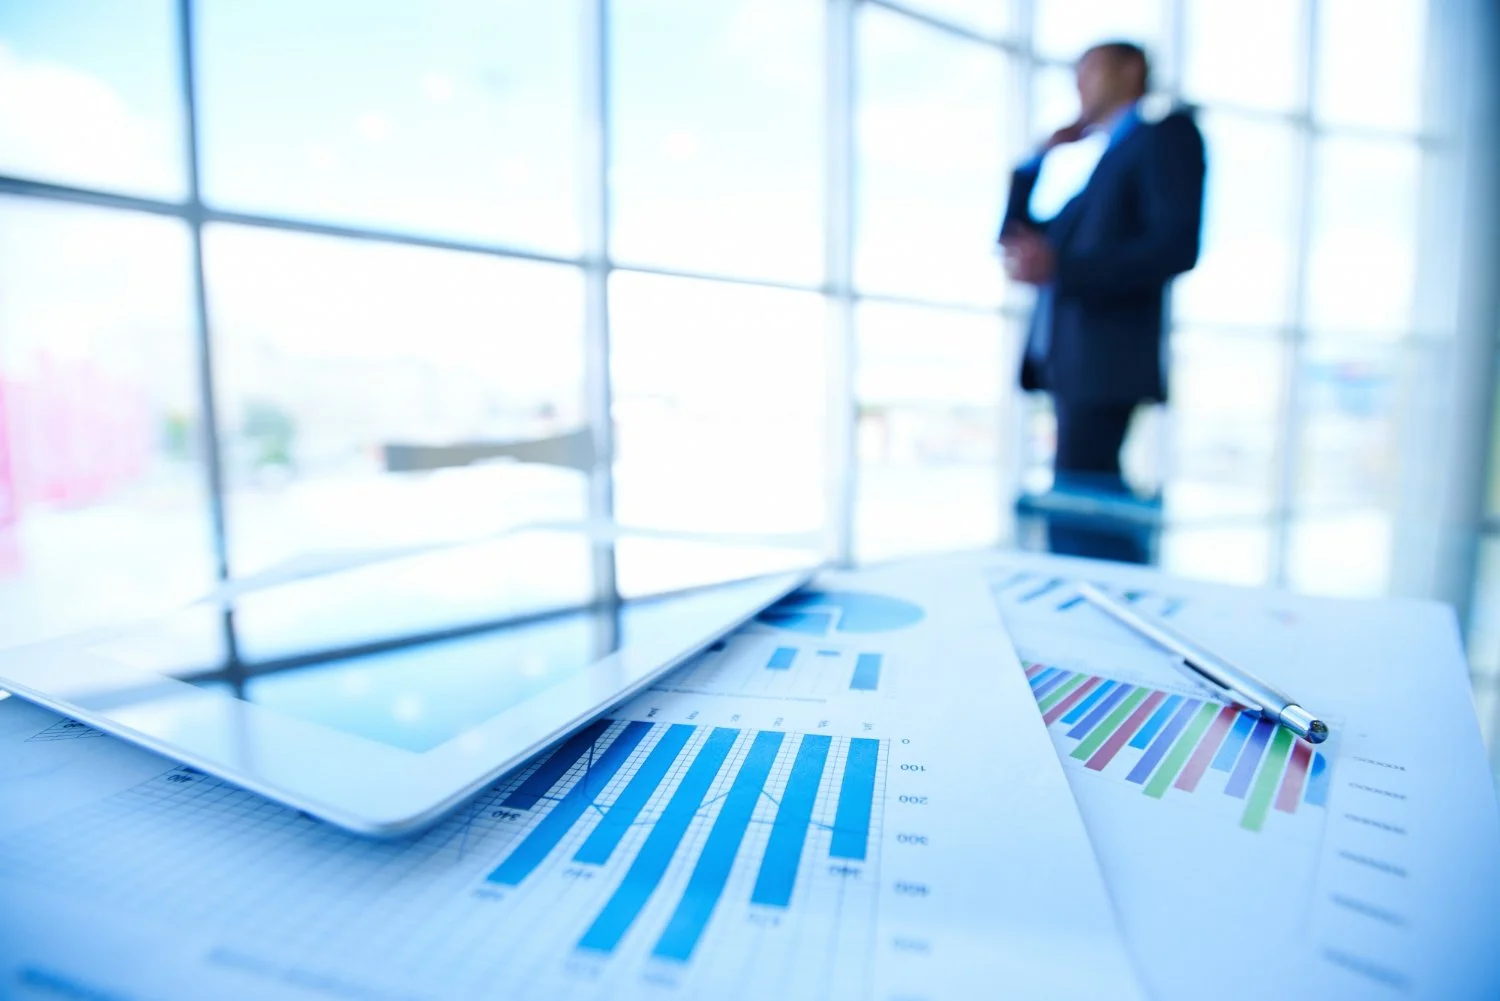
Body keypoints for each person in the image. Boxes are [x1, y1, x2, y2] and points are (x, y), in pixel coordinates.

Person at [1001, 41, 1206, 496]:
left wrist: (1063, 269)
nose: (1078, 83)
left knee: (1087, 500)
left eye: (1089, 69)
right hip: (1072, 362)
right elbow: (1020, 235)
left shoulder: (1165, 136)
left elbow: (1175, 248)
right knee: (1079, 494)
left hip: (1105, 363)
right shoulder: (1107, 163)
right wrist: (1038, 159)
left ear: (1131, 69)